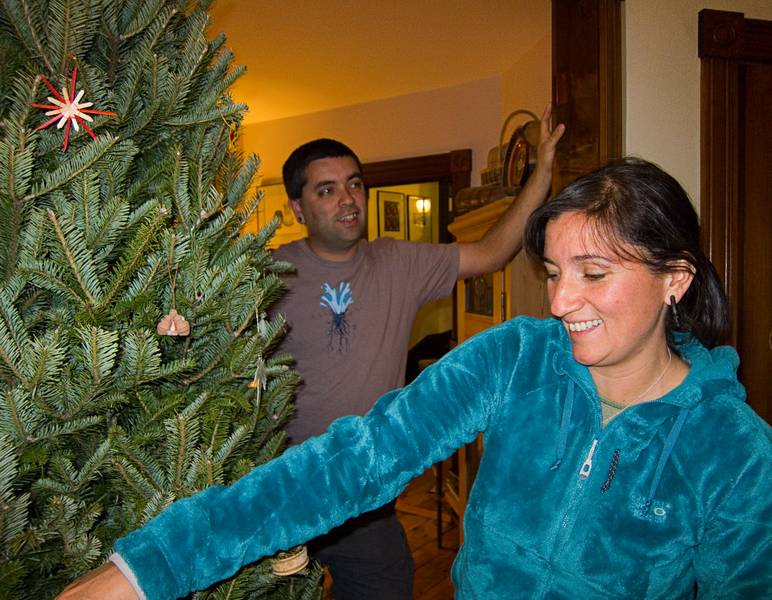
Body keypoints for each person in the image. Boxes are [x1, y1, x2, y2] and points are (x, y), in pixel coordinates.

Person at [59, 157, 772, 600]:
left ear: (674, 279)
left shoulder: (735, 450)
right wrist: (147, 567)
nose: (559, 302)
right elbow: (356, 460)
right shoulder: (516, 357)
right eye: (553, 274)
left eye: (594, 274)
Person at [57, 107, 564, 600]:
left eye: (354, 184)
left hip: (363, 491)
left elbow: (495, 251)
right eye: (327, 189)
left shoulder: (402, 261)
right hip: (278, 486)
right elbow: (204, 335)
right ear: (298, 209)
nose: (347, 199)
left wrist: (540, 173)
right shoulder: (264, 271)